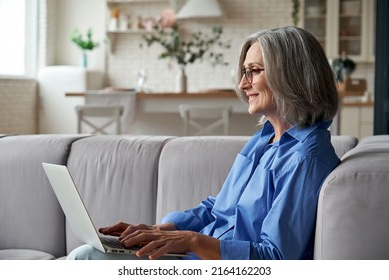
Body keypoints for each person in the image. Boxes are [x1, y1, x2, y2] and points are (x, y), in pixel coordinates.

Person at [67, 26, 340, 260]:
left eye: (254, 71)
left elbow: (273, 258)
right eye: (244, 72)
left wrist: (191, 241)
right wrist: (161, 231)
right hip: (194, 256)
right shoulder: (264, 139)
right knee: (91, 252)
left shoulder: (306, 159)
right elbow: (218, 207)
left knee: (86, 257)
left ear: (291, 76)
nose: (244, 84)